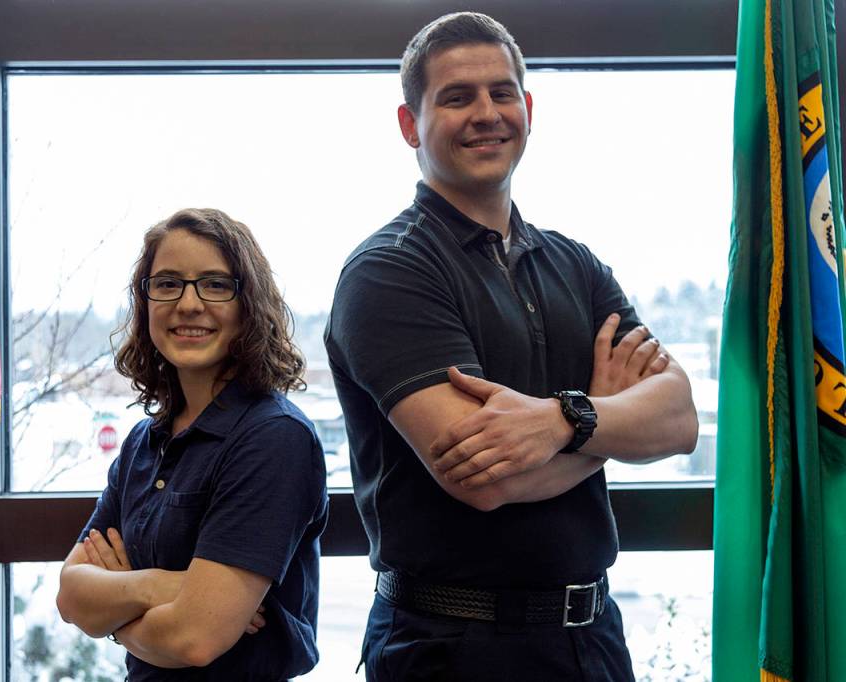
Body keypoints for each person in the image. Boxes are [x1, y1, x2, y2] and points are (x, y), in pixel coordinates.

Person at [324, 12, 699, 682]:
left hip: (594, 643)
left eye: (502, 94)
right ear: (411, 125)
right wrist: (608, 419)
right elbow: (484, 479)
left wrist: (563, 420)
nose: (486, 114)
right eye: (457, 97)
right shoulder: (387, 272)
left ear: (528, 110)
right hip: (450, 649)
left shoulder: (574, 264)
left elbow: (678, 419)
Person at [56, 208, 329, 681]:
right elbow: (70, 595)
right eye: (167, 283)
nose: (188, 304)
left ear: (249, 306)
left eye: (215, 284)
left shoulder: (273, 439)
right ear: (146, 303)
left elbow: (195, 640)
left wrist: (116, 609)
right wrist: (165, 587)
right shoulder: (145, 440)